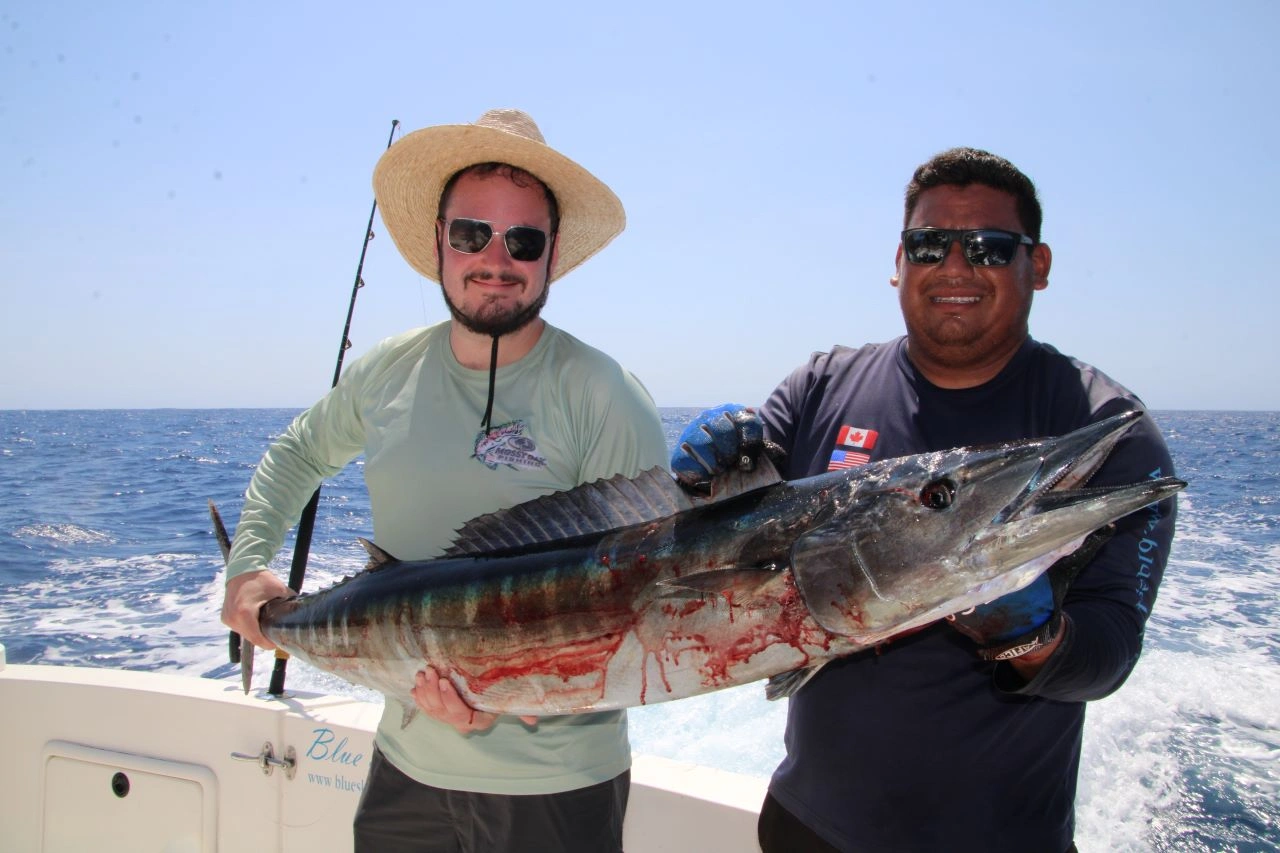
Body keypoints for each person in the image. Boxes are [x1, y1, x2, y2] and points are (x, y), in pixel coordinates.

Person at [672, 147, 1178, 853]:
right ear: (898, 262)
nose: (956, 267)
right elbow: (711, 553)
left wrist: (1033, 637)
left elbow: (1111, 650)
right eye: (929, 244)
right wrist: (702, 480)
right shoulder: (820, 386)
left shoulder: (1108, 428)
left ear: (1039, 265)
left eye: (989, 248)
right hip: (807, 826)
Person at [220, 108, 668, 853]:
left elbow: (637, 614)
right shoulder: (387, 372)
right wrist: (247, 570)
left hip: (553, 790)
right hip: (405, 771)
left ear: (551, 254)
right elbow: (295, 454)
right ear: (437, 242)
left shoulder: (605, 396)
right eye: (471, 234)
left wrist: (504, 697)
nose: (496, 258)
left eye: (523, 240)